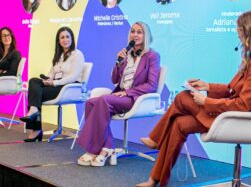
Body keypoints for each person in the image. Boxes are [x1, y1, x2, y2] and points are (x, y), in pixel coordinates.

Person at [136, 10, 251, 187]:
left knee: (182, 97)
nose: (236, 31)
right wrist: (206, 86)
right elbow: (230, 90)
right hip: (226, 114)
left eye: (238, 28)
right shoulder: (247, 60)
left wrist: (206, 101)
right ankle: (156, 180)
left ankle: (155, 138)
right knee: (179, 124)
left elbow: (243, 105)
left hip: (237, 120)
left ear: (247, 31)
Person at [77, 22, 160, 167]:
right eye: (133, 31)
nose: (135, 34)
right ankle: (107, 147)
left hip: (135, 98)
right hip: (119, 95)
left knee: (103, 100)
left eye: (139, 32)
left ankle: (93, 150)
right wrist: (118, 62)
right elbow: (115, 80)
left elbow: (151, 85)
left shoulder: (152, 56)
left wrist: (128, 92)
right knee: (91, 102)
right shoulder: (126, 54)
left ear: (146, 35)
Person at [20, 27, 84, 142]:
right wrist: (48, 79)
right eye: (62, 37)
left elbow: (73, 77)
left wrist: (54, 83)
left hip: (69, 87)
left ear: (72, 38)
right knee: (33, 81)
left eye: (67, 37)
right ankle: (34, 110)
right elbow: (52, 73)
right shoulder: (58, 55)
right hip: (56, 85)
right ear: (58, 41)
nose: (65, 40)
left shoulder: (77, 55)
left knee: (35, 93)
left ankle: (36, 129)